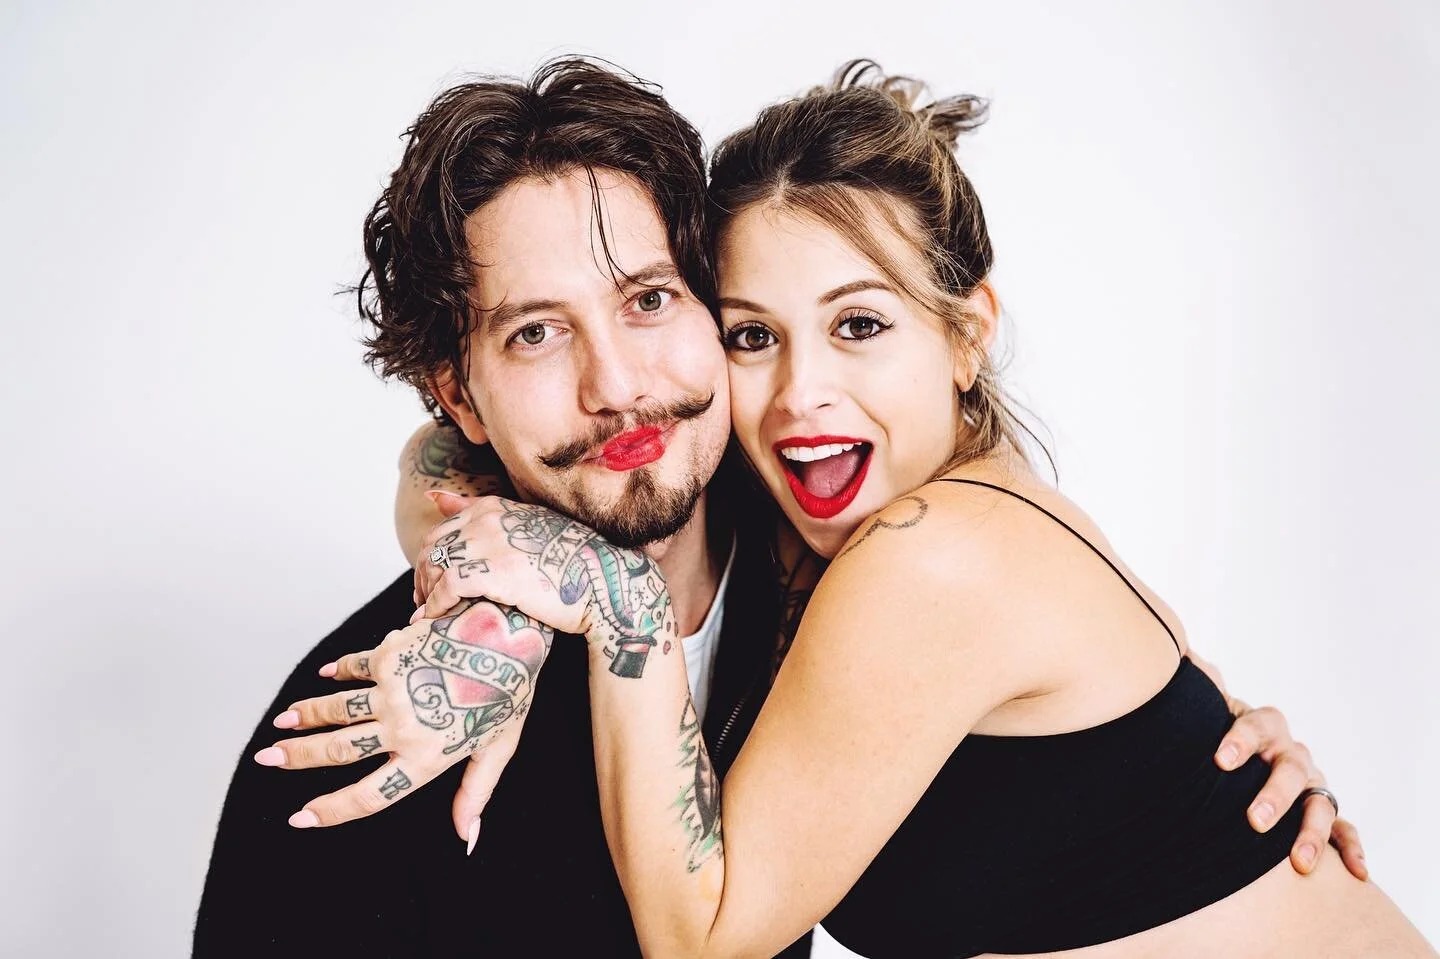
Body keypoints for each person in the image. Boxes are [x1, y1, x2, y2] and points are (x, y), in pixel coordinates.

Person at [204, 58, 1362, 958]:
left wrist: (1226, 734)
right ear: (459, 388)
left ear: (966, 336)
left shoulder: (896, 558)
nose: (621, 386)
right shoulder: (372, 728)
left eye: (651, 298)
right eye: (536, 332)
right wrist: (455, 543)